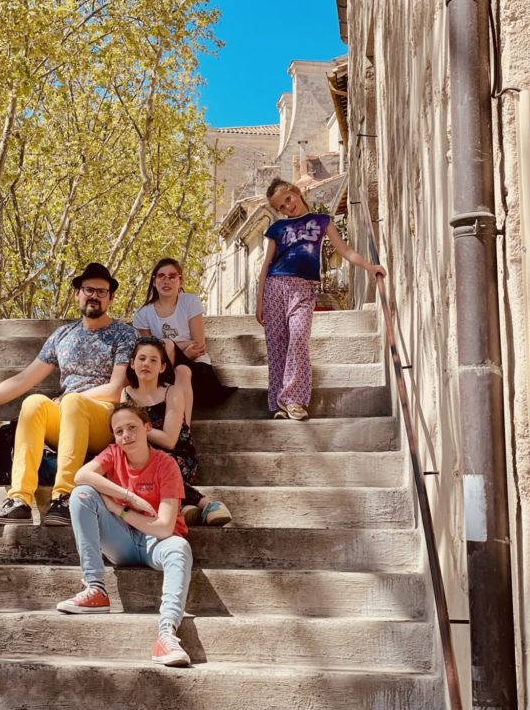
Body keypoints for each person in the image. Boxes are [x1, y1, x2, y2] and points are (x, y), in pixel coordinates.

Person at [0, 262, 137, 527]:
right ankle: (20, 499)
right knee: (34, 402)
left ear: (111, 297)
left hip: (103, 419)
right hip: (66, 419)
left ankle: (64, 496)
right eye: (88, 289)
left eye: (101, 291)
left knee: (73, 400)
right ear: (77, 293)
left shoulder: (124, 334)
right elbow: (24, 379)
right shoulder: (62, 335)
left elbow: (116, 387)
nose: (94, 296)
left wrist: (71, 399)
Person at [56, 402, 193, 667]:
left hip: (158, 543)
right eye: (119, 431)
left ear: (147, 427)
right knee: (82, 494)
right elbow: (82, 475)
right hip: (123, 542)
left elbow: (164, 527)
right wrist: (127, 497)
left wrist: (120, 511)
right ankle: (95, 589)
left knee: (180, 548)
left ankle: (166, 634)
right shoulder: (113, 454)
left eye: (132, 427)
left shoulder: (166, 465)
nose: (126, 435)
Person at [255, 179, 386, 420]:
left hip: (303, 288)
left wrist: (370, 266)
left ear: (297, 192)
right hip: (275, 286)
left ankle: (294, 399)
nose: (287, 207)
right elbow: (265, 266)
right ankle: (278, 403)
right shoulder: (277, 229)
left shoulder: (321, 221)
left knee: (298, 337)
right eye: (281, 207)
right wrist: (259, 300)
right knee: (276, 346)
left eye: (288, 199)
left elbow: (345, 250)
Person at [123, 336, 232, 527]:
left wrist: (138, 429)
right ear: (132, 363)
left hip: (177, 457)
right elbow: (123, 431)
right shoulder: (126, 394)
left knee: (160, 465)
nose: (146, 364)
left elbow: (169, 440)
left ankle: (206, 503)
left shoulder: (172, 392)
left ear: (163, 367)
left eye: (153, 360)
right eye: (141, 359)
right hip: (142, 456)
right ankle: (184, 508)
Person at [133, 257, 233, 425]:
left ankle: (183, 429)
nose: (166, 280)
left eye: (172, 276)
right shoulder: (143, 313)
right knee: (165, 346)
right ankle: (180, 428)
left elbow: (199, 345)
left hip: (197, 369)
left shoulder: (190, 302)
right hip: (162, 369)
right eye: (161, 276)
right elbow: (147, 351)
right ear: (154, 280)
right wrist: (184, 347)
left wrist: (179, 351)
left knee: (182, 369)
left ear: (180, 280)